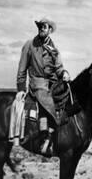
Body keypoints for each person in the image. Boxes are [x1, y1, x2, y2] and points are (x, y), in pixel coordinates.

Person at [16, 18, 70, 154]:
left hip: (52, 84)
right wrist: (21, 89)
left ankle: (63, 136)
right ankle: (44, 138)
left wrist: (64, 73)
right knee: (46, 99)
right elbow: (22, 68)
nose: (41, 28)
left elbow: (58, 68)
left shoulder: (54, 50)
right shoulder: (30, 45)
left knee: (67, 95)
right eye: (39, 26)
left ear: (50, 30)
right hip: (37, 83)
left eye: (44, 27)